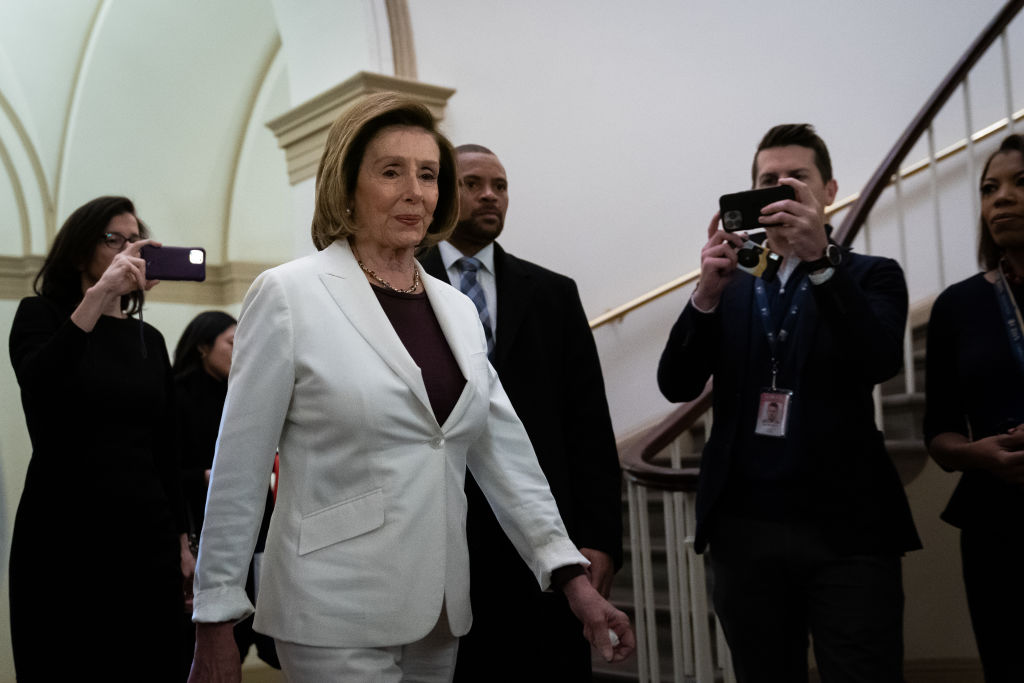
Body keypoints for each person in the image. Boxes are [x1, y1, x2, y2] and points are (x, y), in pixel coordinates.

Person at [187, 93, 634, 683]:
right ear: (346, 185)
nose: (415, 191)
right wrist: (215, 616)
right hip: (331, 608)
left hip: (439, 611)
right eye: (391, 171)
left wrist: (569, 574)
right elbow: (240, 464)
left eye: (428, 174)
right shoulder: (289, 294)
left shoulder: (455, 308)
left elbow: (503, 453)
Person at [657, 124, 920, 682]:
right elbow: (676, 384)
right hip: (744, 532)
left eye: (796, 178)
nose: (779, 188)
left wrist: (821, 261)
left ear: (829, 191)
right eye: (766, 180)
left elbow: (877, 361)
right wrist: (705, 292)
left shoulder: (871, 275)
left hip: (847, 532)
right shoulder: (731, 284)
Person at [419, 144, 623, 682]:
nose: (490, 194)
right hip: (435, 527)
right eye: (473, 183)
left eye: (500, 185)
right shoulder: (399, 284)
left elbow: (588, 425)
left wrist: (600, 535)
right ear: (442, 193)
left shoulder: (553, 294)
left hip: (541, 532)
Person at [8, 195, 194, 681]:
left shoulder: (147, 340)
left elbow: (165, 448)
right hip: (65, 531)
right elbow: (43, 386)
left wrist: (182, 539)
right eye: (114, 238)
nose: (128, 248)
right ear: (78, 251)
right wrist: (99, 296)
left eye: (135, 239)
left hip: (144, 531)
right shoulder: (39, 316)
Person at [924, 133, 1024, 682]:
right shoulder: (958, 306)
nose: (1001, 198)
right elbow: (938, 434)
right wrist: (979, 454)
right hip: (995, 523)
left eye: (1019, 183)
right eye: (989, 188)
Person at [173, 311, 280, 675]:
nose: (241, 350)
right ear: (203, 346)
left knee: (256, 628)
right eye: (232, 342)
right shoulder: (177, 393)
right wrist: (205, 477)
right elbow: (163, 468)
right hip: (198, 529)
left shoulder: (244, 391)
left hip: (257, 529)